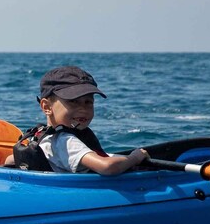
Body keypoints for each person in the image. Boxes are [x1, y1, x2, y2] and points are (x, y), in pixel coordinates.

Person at [10, 66, 149, 175]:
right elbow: (107, 167)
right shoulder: (67, 141)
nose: (83, 109)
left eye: (88, 102)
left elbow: (9, 160)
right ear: (46, 107)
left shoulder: (40, 137)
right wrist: (134, 158)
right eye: (73, 102)